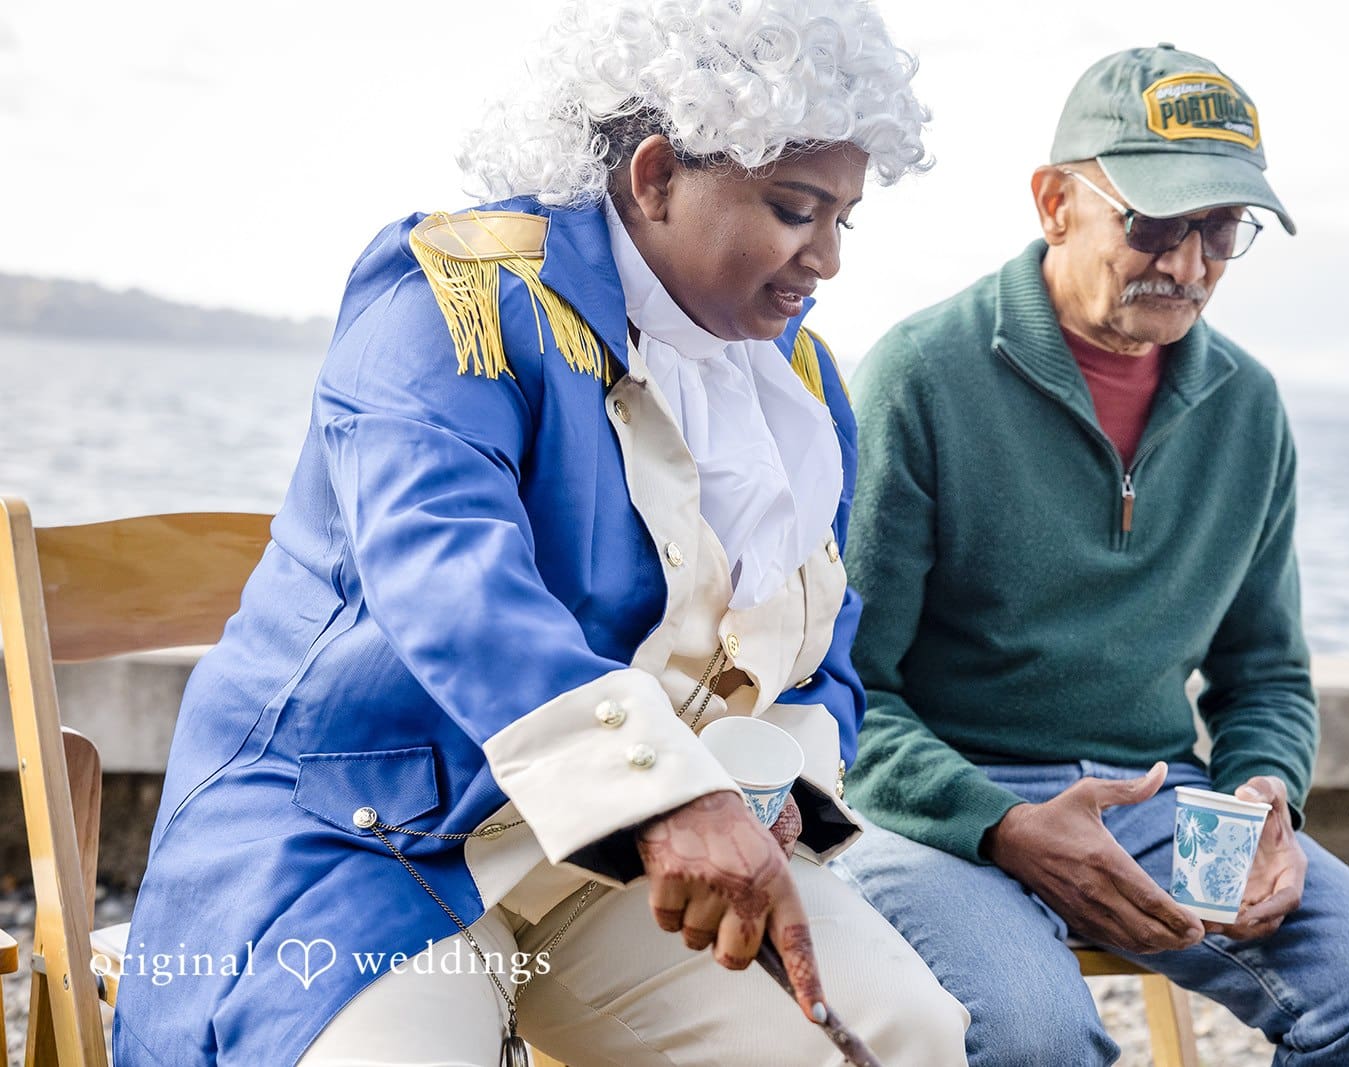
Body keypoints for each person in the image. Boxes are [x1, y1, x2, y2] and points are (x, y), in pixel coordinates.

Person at [112, 2, 970, 1063]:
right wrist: (665, 798)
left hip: (625, 859)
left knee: (893, 1032)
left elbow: (818, 643)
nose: (826, 259)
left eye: (844, 218)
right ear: (655, 175)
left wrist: (776, 793)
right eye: (796, 209)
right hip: (368, 843)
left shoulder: (795, 380)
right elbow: (447, 575)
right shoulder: (450, 299)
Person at [832, 43, 1349, 1066]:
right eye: (1154, 224)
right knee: (1035, 1037)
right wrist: (1000, 822)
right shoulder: (918, 375)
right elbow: (847, 689)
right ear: (1054, 201)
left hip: (1157, 797)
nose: (1187, 266)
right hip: (939, 806)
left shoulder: (1248, 407)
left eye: (1220, 231)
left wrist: (1267, 789)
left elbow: (1262, 670)